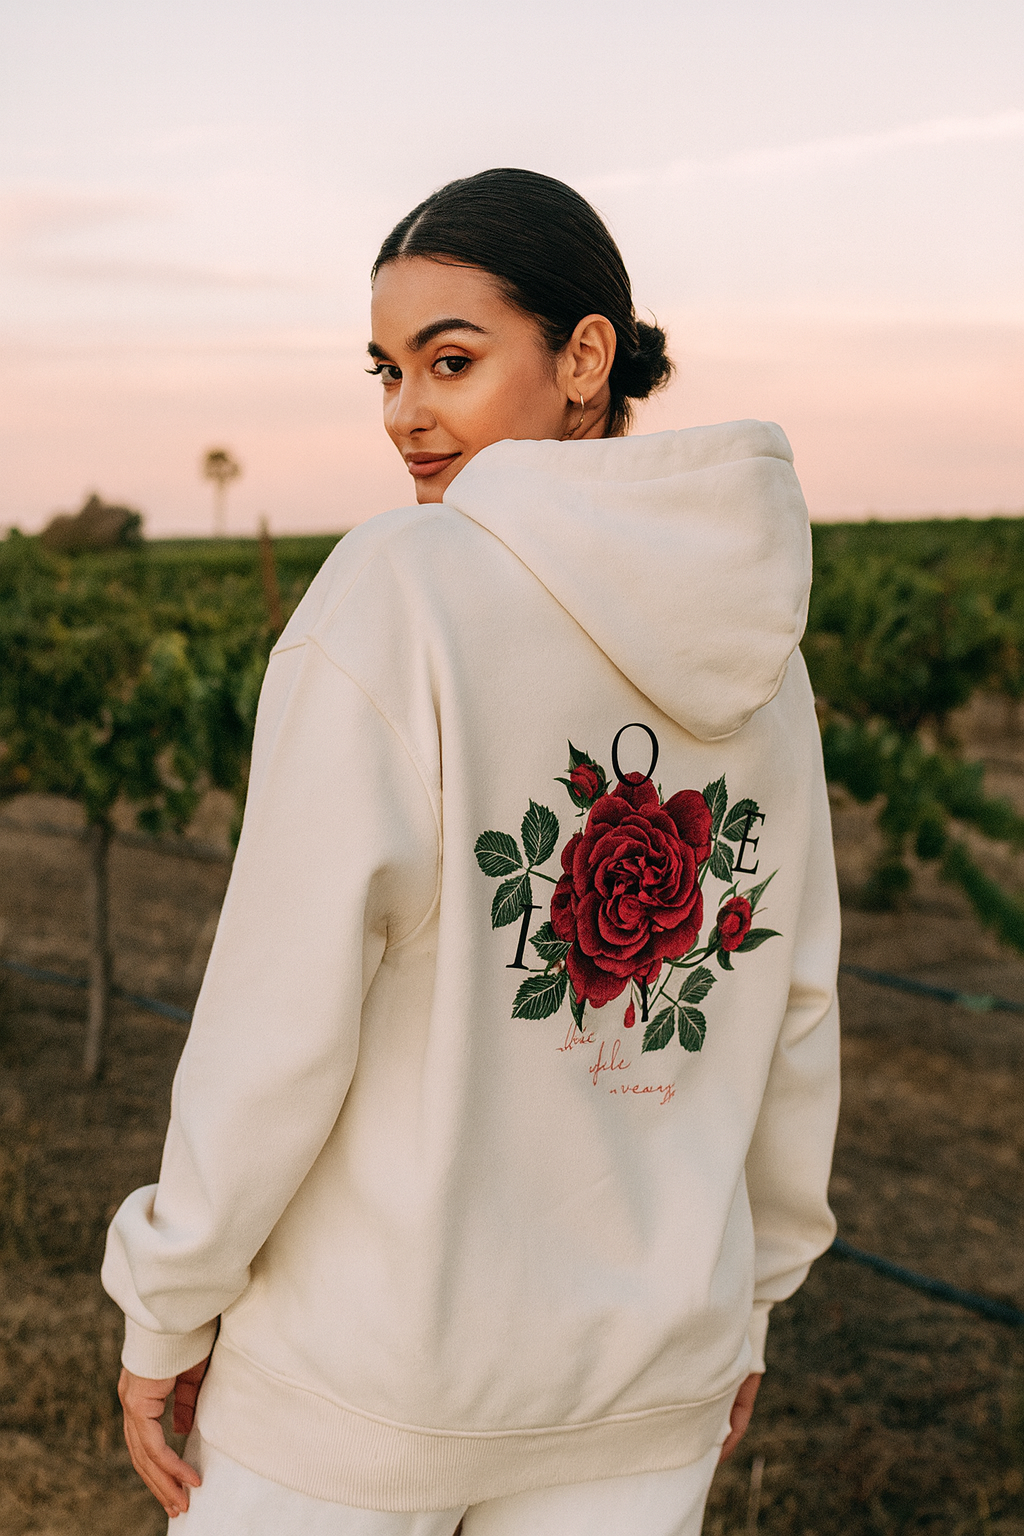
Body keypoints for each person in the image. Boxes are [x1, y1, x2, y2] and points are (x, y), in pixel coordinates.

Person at [104, 167, 840, 1535]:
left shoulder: (400, 589)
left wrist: (168, 1299)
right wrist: (751, 1301)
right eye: (385, 371)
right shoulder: (764, 661)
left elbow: (282, 1011)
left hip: (364, 1389)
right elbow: (793, 1003)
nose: (405, 415)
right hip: (645, 1381)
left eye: (450, 361)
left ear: (584, 357)